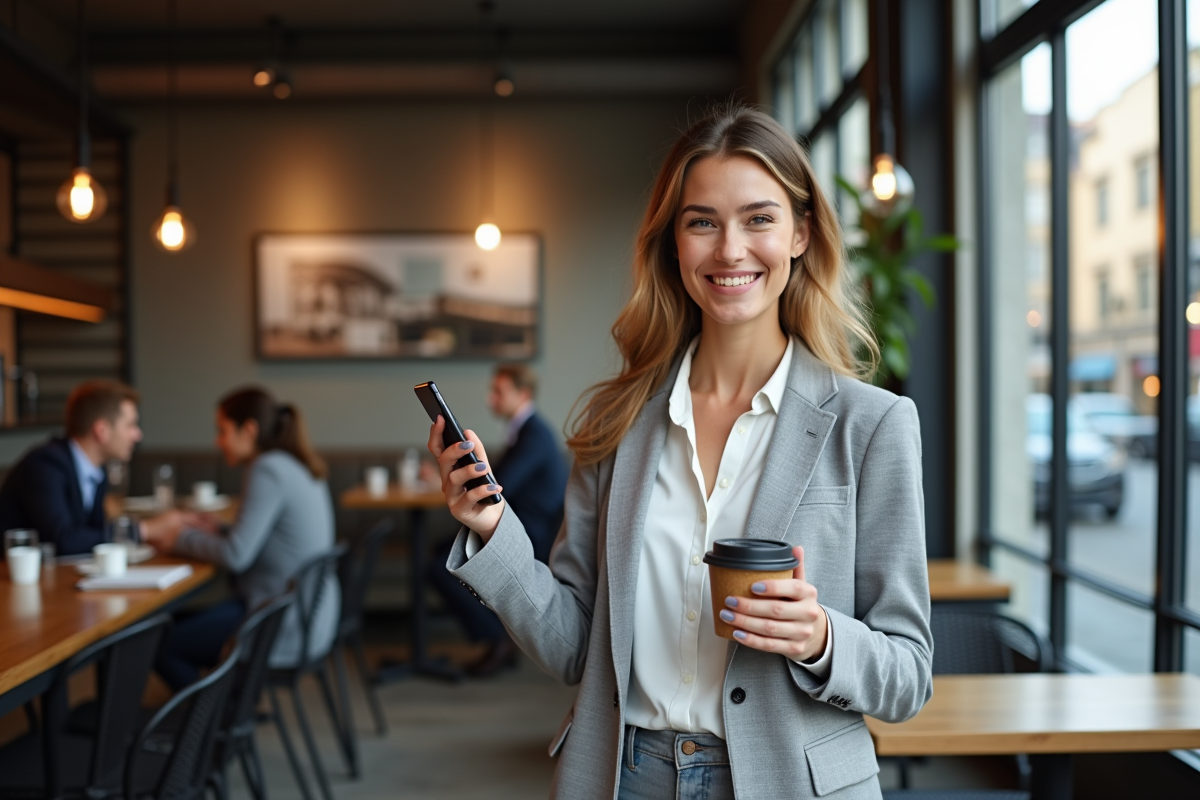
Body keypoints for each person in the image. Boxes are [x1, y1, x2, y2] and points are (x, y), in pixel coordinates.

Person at [428, 105, 932, 799]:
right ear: (672, 243)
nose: (730, 250)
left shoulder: (872, 425)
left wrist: (819, 637)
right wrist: (493, 528)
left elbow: (908, 675)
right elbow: (574, 648)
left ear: (801, 234)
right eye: (702, 222)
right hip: (625, 776)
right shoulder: (617, 420)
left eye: (758, 219)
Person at [144, 387, 338, 691]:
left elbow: (236, 555)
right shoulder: (294, 463)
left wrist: (178, 537)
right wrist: (219, 530)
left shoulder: (267, 468)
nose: (217, 441)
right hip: (309, 614)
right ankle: (228, 708)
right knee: (178, 631)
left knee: (163, 647)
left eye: (222, 431)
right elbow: (268, 539)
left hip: (280, 622)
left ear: (249, 429)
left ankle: (213, 718)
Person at [428, 364, 568, 677]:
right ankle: (499, 637)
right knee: (437, 552)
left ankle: (499, 639)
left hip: (531, 535)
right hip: (520, 525)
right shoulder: (526, 431)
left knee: (440, 566)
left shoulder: (534, 435)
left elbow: (498, 487)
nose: (490, 399)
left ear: (523, 393)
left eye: (498, 392)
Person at [0, 380, 186, 556]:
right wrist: (145, 530)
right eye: (130, 425)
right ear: (102, 430)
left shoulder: (96, 470)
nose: (138, 435)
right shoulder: (44, 465)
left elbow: (94, 532)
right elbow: (64, 540)